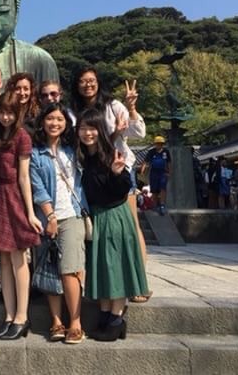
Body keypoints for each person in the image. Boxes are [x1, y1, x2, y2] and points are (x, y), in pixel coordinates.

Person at [71, 67, 149, 301]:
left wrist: (132, 108)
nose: (87, 85)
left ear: (99, 82)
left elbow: (138, 132)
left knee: (131, 227)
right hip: (90, 173)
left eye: (92, 80)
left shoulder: (113, 105)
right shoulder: (74, 111)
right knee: (101, 233)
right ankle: (109, 282)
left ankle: (138, 284)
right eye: (82, 81)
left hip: (118, 169)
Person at [77, 108, 149, 342]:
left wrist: (117, 174)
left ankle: (116, 318)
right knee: (103, 267)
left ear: (100, 130)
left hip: (114, 214)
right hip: (98, 216)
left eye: (92, 128)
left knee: (115, 266)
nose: (87, 133)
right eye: (83, 128)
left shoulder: (110, 153)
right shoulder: (84, 157)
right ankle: (107, 316)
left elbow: (123, 188)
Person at [29, 103, 87, 344]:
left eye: (59, 119)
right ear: (43, 122)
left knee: (70, 269)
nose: (55, 123)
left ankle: (75, 321)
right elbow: (37, 187)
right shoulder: (35, 153)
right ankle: (56, 321)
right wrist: (50, 216)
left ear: (66, 123)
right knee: (51, 268)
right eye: (50, 118)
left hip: (72, 214)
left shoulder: (74, 150)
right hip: (47, 218)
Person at [0, 91, 42, 340]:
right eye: (2, 112)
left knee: (19, 257)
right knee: (4, 259)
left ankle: (22, 316)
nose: (6, 116)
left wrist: (30, 213)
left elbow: (24, 177)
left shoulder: (22, 136)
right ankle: (9, 315)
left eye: (10, 112)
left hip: (14, 195)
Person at [141, 136, 172, 215]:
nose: (159, 145)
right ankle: (154, 206)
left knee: (163, 188)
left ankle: (162, 205)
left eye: (161, 144)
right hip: (154, 172)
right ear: (155, 144)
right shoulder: (151, 152)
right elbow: (145, 162)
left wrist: (169, 172)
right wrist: (142, 171)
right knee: (154, 190)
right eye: (157, 143)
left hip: (163, 172)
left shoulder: (166, 152)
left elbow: (169, 162)